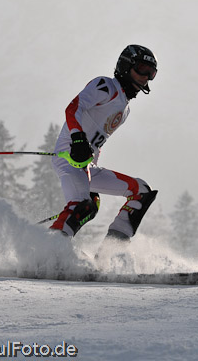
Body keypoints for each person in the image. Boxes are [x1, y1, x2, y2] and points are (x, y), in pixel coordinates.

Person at [50, 45, 159, 250]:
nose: (146, 77)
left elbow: (98, 140)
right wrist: (78, 138)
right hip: (69, 158)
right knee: (82, 205)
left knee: (140, 191)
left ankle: (110, 255)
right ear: (126, 66)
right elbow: (73, 108)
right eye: (142, 69)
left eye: (151, 73)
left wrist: (91, 164)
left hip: (87, 167)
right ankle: (47, 251)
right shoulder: (106, 86)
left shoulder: (125, 109)